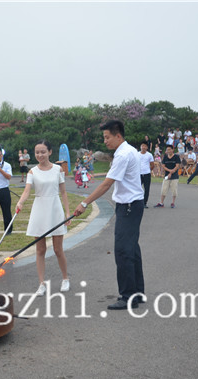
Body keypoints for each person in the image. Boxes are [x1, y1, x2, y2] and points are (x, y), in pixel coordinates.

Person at [74, 120, 144, 310]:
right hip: (132, 204)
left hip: (129, 206)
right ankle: (137, 293)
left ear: (118, 136)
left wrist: (84, 203)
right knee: (132, 249)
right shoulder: (130, 150)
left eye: (107, 137)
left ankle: (128, 296)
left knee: (123, 250)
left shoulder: (123, 155)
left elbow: (106, 184)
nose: (105, 141)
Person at [16, 140, 71, 295]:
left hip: (55, 209)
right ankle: (41, 284)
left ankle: (65, 279)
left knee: (58, 249)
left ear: (50, 152)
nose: (40, 155)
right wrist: (20, 202)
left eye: (43, 152)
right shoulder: (32, 171)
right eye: (37, 152)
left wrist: (67, 213)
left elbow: (64, 192)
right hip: (39, 209)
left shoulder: (58, 169)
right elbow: (27, 191)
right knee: (40, 249)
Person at [137, 142, 154, 208]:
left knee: (146, 189)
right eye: (142, 146)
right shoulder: (137, 154)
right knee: (137, 188)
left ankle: (144, 202)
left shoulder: (149, 155)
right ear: (140, 146)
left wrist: (148, 170)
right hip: (138, 174)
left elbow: (152, 165)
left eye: (145, 146)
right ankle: (137, 202)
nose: (143, 147)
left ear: (147, 147)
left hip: (147, 174)